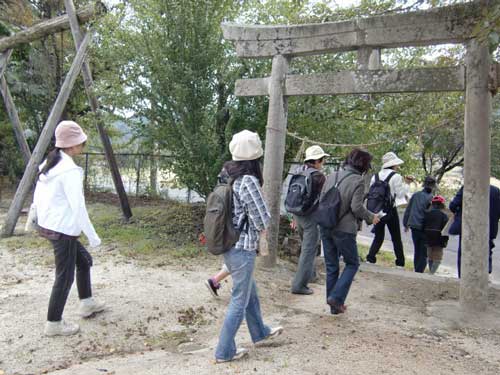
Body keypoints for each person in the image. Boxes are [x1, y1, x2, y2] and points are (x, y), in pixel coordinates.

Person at [214, 130, 282, 363]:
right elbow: (263, 220)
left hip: (228, 243)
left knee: (249, 291)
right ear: (256, 157)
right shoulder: (248, 181)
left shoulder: (226, 176)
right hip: (242, 247)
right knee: (239, 299)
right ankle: (224, 351)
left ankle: (259, 331)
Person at [34, 121, 105, 337]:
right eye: (81, 142)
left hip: (50, 224)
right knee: (64, 277)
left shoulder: (51, 162)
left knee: (84, 261)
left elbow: (38, 193)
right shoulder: (69, 171)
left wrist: (35, 213)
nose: (83, 145)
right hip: (62, 229)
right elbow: (79, 208)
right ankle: (53, 323)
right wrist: (93, 237)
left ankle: (87, 303)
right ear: (73, 145)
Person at [320, 148, 380, 314]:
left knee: (332, 265)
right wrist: (371, 217)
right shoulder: (358, 181)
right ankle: (336, 298)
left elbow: (321, 200)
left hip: (325, 225)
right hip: (344, 229)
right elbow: (356, 207)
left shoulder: (332, 175)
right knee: (352, 263)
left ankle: (334, 306)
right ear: (363, 164)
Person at [290, 145, 328, 295]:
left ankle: (311, 275)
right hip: (311, 218)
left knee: (307, 249)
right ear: (318, 161)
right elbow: (323, 199)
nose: (323, 162)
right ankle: (299, 285)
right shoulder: (319, 176)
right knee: (308, 251)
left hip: (298, 215)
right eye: (323, 160)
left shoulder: (299, 172)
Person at [366, 152, 411, 267]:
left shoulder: (375, 176)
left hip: (377, 211)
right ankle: (400, 263)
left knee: (379, 236)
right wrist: (407, 184)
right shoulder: (396, 176)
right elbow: (400, 194)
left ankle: (370, 258)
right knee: (396, 237)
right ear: (394, 164)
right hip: (390, 210)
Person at [449, 184, 500, 277]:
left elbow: (453, 205)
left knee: (465, 252)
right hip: (489, 227)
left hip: (469, 226)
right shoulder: (496, 191)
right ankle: (484, 274)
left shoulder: (468, 187)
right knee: (485, 251)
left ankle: (463, 277)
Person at [403, 176, 436, 273]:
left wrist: (406, 224)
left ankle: (416, 269)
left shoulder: (416, 195)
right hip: (424, 228)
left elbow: (408, 210)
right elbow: (430, 214)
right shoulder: (431, 198)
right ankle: (419, 271)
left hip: (414, 226)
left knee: (417, 250)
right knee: (424, 251)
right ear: (433, 186)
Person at [423, 195, 449, 274]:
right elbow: (446, 230)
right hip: (439, 240)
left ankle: (431, 271)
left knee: (430, 256)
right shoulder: (444, 216)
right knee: (437, 258)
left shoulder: (427, 214)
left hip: (428, 238)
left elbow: (423, 226)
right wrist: (445, 241)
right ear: (442, 205)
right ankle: (432, 273)